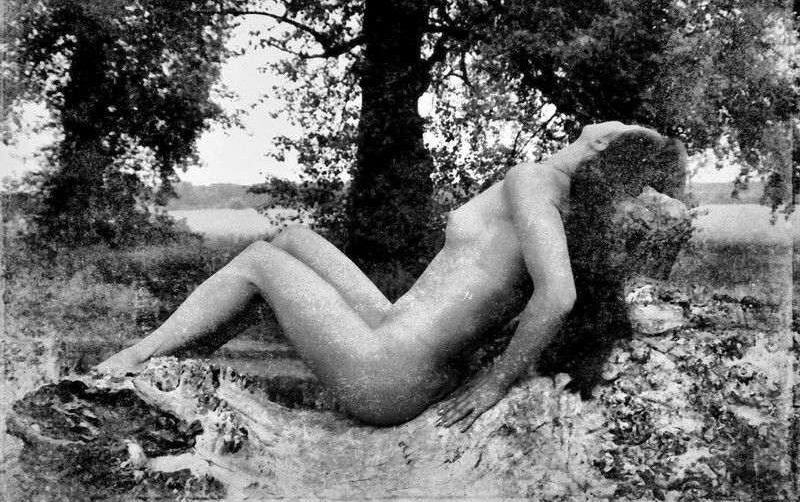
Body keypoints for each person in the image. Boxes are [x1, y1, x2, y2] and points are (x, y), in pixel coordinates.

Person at [96, 121, 687, 431]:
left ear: (599, 148)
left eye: (618, 132)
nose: (611, 127)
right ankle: (172, 361)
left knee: (257, 261)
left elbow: (558, 297)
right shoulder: (551, 192)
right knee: (291, 239)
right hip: (394, 337)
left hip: (387, 375)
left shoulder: (537, 181)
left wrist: (495, 383)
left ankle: (138, 357)